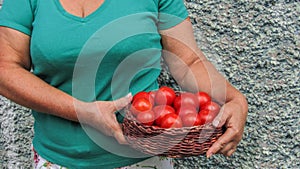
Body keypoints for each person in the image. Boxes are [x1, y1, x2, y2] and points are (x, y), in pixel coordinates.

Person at [0, 0, 248, 168]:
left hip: (144, 160)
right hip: (58, 160)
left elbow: (190, 61)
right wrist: (81, 111)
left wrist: (234, 99)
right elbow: (5, 69)